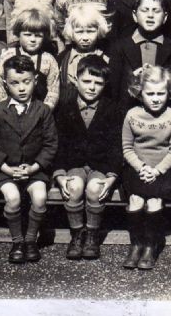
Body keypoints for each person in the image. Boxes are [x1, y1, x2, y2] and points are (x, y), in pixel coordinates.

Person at [0, 54, 59, 264]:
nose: (22, 88)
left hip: (34, 170)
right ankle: (17, 241)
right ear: (6, 85)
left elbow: (50, 145)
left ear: (35, 80)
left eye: (26, 82)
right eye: (15, 83)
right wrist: (6, 169)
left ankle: (31, 239)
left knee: (40, 197)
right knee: (13, 197)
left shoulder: (43, 111)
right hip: (4, 170)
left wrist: (34, 168)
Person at [54, 55, 121, 260]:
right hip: (74, 164)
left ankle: (92, 233)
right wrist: (60, 175)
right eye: (87, 81)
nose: (92, 87)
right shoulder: (65, 107)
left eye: (98, 83)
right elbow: (58, 144)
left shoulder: (112, 109)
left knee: (95, 188)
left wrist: (112, 176)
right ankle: (77, 233)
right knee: (73, 186)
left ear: (105, 84)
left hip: (100, 164)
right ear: (76, 79)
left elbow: (116, 146)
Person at [120, 65, 171, 270]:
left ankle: (150, 245)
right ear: (140, 93)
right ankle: (136, 243)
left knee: (154, 202)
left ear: (169, 93)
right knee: (136, 200)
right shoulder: (132, 115)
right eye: (150, 93)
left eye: (161, 93)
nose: (155, 98)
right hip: (137, 168)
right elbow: (127, 148)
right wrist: (141, 167)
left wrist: (157, 170)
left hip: (164, 170)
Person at [107, 0, 171, 116]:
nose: (150, 15)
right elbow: (114, 89)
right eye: (145, 10)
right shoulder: (120, 47)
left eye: (156, 11)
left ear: (165, 17)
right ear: (134, 15)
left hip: (163, 116)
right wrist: (133, 81)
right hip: (127, 114)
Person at [0, 9, 60, 110]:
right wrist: (10, 109)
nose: (32, 39)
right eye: (27, 35)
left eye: (38, 35)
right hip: (10, 112)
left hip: (39, 114)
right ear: (18, 34)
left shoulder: (49, 60)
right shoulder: (7, 55)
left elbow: (53, 91)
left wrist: (44, 111)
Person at [56, 4, 110, 108]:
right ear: (71, 32)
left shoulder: (106, 58)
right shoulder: (63, 60)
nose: (85, 37)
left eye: (90, 32)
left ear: (98, 30)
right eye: (79, 32)